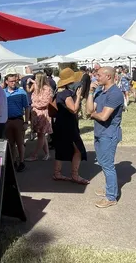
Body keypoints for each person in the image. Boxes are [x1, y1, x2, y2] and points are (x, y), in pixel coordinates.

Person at [87, 67, 124, 208]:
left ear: (109, 76)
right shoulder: (100, 92)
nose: (96, 77)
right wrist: (90, 92)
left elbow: (103, 116)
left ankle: (111, 197)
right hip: (99, 133)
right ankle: (110, 188)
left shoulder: (115, 94)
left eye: (99, 75)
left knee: (108, 166)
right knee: (103, 163)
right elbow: (89, 109)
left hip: (108, 135)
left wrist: (93, 114)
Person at [52, 68, 89, 184]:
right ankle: (75, 175)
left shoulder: (58, 92)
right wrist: (78, 97)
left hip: (59, 124)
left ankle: (57, 173)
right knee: (78, 149)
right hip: (68, 126)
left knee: (61, 148)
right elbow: (73, 109)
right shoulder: (67, 94)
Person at [4, 73, 30, 172]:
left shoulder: (21, 92)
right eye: (11, 81)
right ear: (6, 82)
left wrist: (26, 121)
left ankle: (22, 161)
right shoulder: (3, 93)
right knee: (10, 143)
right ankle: (14, 161)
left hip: (18, 120)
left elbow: (27, 107)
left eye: (15, 81)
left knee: (20, 142)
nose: (13, 83)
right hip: (7, 121)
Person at [26, 72, 53, 161]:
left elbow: (45, 103)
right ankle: (47, 153)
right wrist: (28, 83)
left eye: (36, 78)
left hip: (42, 113)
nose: (35, 79)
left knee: (41, 135)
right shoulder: (36, 87)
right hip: (36, 114)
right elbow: (29, 91)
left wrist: (34, 105)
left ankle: (35, 155)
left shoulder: (47, 89)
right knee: (41, 134)